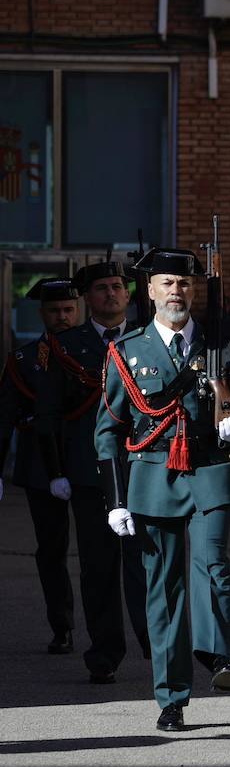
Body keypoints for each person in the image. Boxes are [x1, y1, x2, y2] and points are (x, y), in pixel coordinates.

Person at [95, 247, 230, 731]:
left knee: (213, 564)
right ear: (150, 291)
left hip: (208, 467)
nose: (177, 291)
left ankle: (215, 654)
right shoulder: (128, 349)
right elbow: (109, 429)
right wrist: (115, 499)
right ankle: (171, 696)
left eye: (184, 283)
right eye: (167, 283)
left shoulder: (220, 342)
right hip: (153, 472)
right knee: (163, 589)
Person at [38, 261, 151, 682]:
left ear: (128, 294)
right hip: (90, 474)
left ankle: (153, 642)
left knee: (146, 564)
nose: (110, 294)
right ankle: (104, 653)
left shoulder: (147, 339)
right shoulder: (68, 345)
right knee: (98, 570)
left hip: (144, 470)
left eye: (117, 287)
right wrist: (56, 470)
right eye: (101, 288)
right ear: (87, 297)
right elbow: (48, 413)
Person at [1, 278, 80, 656]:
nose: (62, 316)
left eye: (68, 309)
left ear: (77, 310)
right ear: (42, 314)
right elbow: (4, 416)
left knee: (106, 549)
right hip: (40, 464)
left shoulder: (96, 351)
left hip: (87, 459)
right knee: (51, 549)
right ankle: (61, 625)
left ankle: (109, 628)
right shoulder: (23, 360)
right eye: (54, 310)